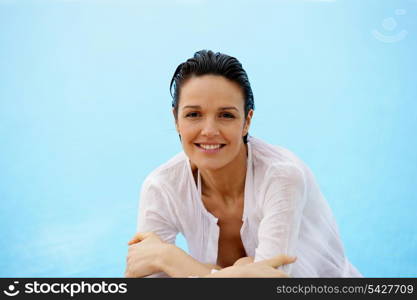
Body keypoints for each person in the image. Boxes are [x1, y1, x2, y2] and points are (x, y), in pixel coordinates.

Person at [125, 50, 362, 278]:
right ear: (176, 119)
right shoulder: (162, 186)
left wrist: (171, 259)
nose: (209, 131)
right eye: (193, 115)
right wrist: (239, 271)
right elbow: (142, 276)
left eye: (226, 115)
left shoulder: (281, 176)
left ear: (247, 121)